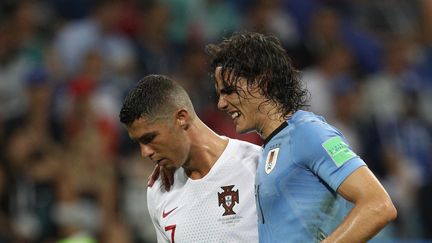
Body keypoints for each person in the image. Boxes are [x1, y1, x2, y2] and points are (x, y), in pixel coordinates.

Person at [205, 31, 397, 242]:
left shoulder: (309, 132)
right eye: (219, 93)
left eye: (229, 91)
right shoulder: (271, 148)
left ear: (263, 81)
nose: (221, 103)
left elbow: (379, 205)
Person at [119, 74, 260, 242]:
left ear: (181, 118)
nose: (145, 152)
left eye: (149, 138)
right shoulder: (159, 190)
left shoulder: (256, 165)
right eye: (139, 143)